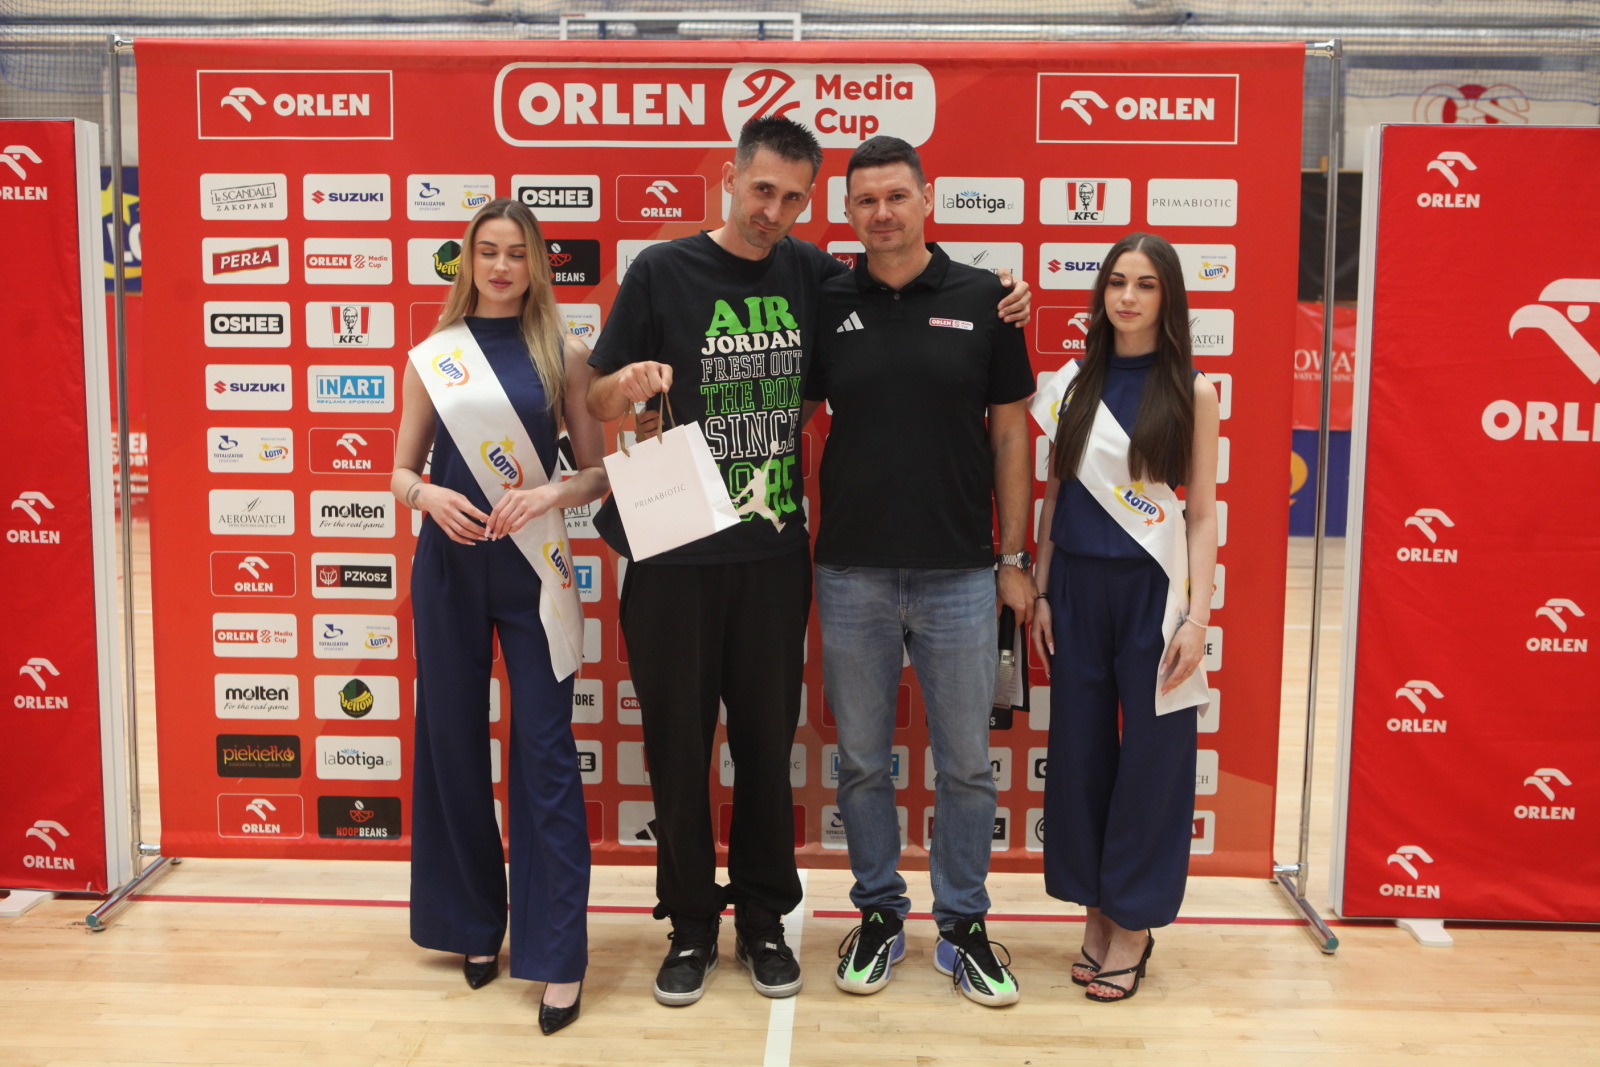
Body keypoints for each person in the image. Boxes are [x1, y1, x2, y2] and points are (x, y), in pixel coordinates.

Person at [586, 116, 1029, 1008]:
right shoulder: (665, 270)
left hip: (778, 553)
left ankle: (766, 918)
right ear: (729, 178)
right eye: (762, 190)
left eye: (793, 197)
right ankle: (691, 924)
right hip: (679, 549)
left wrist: (1005, 294)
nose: (774, 211)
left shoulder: (816, 275)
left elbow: (926, 324)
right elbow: (596, 393)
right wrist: (622, 388)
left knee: (766, 747)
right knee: (681, 748)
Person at [804, 135, 1035, 1007]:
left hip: (961, 573)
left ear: (927, 200)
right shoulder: (826, 298)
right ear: (849, 210)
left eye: (897, 196)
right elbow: (786, 413)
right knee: (863, 760)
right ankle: (879, 912)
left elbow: (1011, 434)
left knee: (967, 764)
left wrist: (1013, 557)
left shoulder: (986, 299)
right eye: (865, 200)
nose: (883, 213)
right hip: (851, 570)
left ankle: (965, 924)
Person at [391, 198, 608, 1035]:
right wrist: (427, 495)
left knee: (545, 751)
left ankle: (558, 954)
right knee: (450, 741)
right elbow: (400, 471)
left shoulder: (565, 351)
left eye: (517, 252)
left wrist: (549, 494)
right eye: (488, 251)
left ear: (537, 262)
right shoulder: (434, 354)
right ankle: (473, 922)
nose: (502, 266)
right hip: (449, 562)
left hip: (533, 565)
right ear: (468, 259)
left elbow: (596, 473)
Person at [1028, 232, 1219, 1003]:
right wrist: (1042, 590)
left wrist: (1198, 618)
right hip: (1075, 587)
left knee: (1154, 757)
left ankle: (1133, 922)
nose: (1128, 297)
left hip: (1154, 591)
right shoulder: (1073, 384)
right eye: (1116, 282)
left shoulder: (1193, 391)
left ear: (1168, 296)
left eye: (1144, 284)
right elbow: (1054, 497)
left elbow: (1200, 514)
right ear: (1101, 293)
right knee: (1077, 751)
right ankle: (1095, 907)